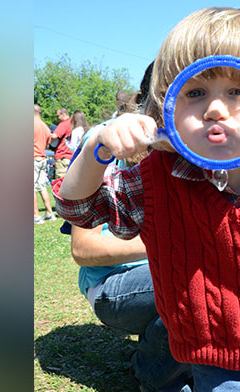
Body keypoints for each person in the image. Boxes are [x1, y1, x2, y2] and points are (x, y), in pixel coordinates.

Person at [54, 7, 240, 391]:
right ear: (167, 107)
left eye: (237, 90)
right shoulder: (153, 178)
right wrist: (97, 147)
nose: (214, 108)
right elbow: (79, 209)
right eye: (194, 92)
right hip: (212, 361)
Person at [61, 63, 193, 392]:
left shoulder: (201, 146)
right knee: (194, 274)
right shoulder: (113, 143)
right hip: (113, 286)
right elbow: (83, 249)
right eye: (194, 94)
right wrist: (176, 243)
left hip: (162, 273)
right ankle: (153, 375)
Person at [34, 104, 56, 224]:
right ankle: (49, 213)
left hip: (33, 157)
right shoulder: (45, 127)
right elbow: (48, 145)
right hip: (42, 158)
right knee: (42, 187)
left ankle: (36, 216)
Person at [49, 108, 73, 179]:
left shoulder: (64, 123)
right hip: (71, 156)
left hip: (62, 156)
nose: (57, 118)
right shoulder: (74, 123)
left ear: (63, 114)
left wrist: (47, 142)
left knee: (60, 182)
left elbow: (54, 136)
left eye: (58, 116)